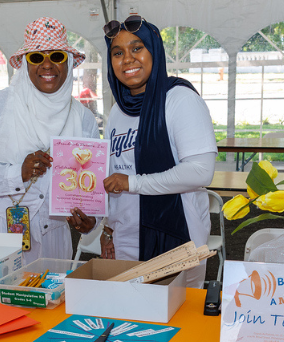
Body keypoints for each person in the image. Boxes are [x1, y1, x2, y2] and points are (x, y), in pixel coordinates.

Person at [68, 15, 217, 287]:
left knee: (176, 322)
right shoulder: (117, 111)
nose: (127, 59)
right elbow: (115, 175)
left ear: (154, 51)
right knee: (132, 320)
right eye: (117, 52)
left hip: (176, 239)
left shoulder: (180, 100)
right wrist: (107, 229)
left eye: (137, 48)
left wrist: (133, 183)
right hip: (126, 240)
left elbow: (201, 172)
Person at [0, 17, 99, 264]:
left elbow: (89, 183)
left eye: (56, 56)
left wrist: (90, 220)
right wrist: (16, 174)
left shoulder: (83, 118)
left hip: (52, 235)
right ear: (24, 64)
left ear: (68, 63)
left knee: (50, 300)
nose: (47, 65)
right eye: (36, 57)